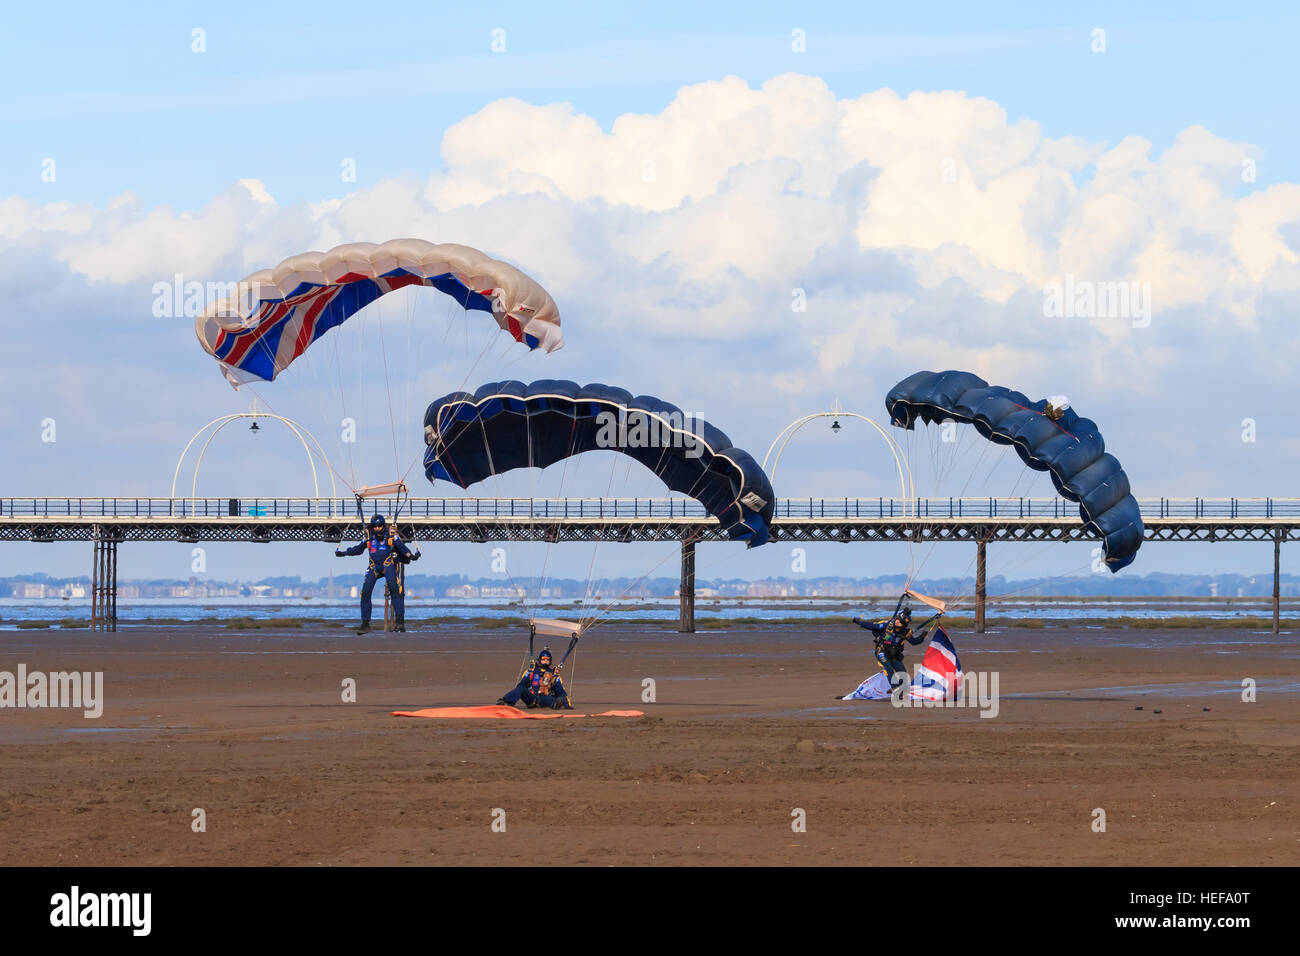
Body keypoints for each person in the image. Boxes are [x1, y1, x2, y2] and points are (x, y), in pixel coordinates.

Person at [335, 514, 418, 634]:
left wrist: (411, 556)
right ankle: (365, 624)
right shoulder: (368, 536)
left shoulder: (391, 534)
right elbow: (358, 549)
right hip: (374, 566)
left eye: (380, 526)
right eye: (375, 526)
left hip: (388, 564)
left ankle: (399, 623)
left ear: (383, 525)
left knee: (395, 591)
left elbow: (401, 547)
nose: (377, 528)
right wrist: (344, 553)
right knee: (365, 593)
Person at [852, 605, 931, 686]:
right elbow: (872, 626)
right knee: (888, 667)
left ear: (904, 625)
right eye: (897, 619)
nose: (897, 621)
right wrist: (859, 622)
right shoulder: (887, 625)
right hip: (881, 651)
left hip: (893, 655)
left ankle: (901, 689)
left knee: (903, 674)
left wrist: (922, 636)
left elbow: (914, 642)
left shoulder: (906, 632)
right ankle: (894, 687)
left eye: (900, 622)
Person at [497, 647, 572, 710]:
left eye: (547, 660)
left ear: (550, 661)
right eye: (543, 659)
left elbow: (561, 691)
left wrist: (568, 705)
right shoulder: (531, 671)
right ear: (539, 660)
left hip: (545, 700)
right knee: (520, 688)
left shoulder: (554, 674)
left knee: (549, 698)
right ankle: (505, 702)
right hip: (532, 699)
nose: (545, 661)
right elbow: (520, 686)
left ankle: (555, 704)